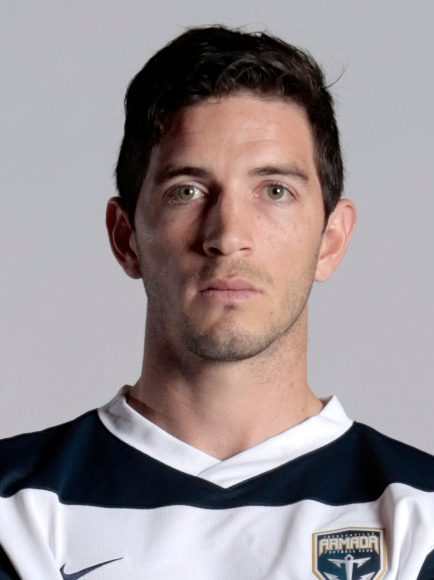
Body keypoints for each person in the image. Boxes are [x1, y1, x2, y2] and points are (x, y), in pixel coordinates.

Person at [0, 25, 433, 580]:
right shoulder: (16, 510)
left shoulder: (421, 516)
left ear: (330, 240)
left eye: (274, 190)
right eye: (187, 190)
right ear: (126, 238)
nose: (228, 235)